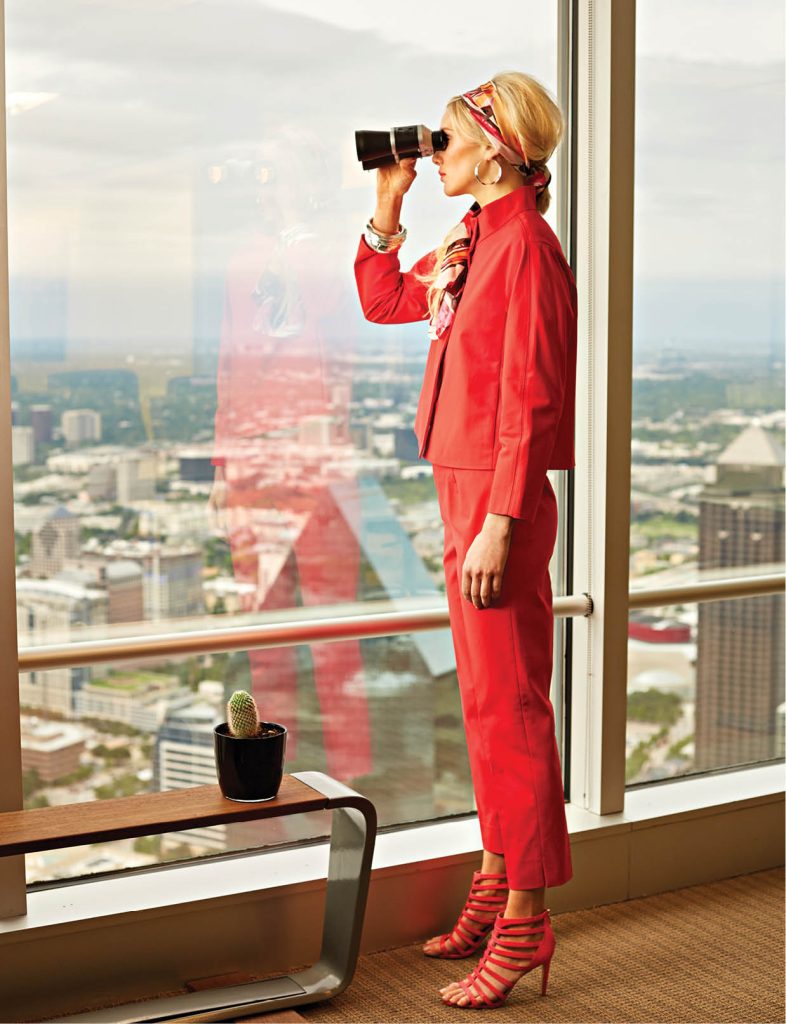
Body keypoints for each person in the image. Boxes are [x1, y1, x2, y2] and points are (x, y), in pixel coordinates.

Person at [353, 72, 577, 1009]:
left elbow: (530, 394)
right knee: (486, 701)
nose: (431, 152)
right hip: (463, 490)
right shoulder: (475, 239)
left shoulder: (524, 245)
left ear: (492, 147)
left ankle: (526, 917)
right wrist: (387, 203)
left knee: (512, 706)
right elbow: (386, 303)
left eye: (442, 141)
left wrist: (499, 520)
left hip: (496, 502)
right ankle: (496, 877)